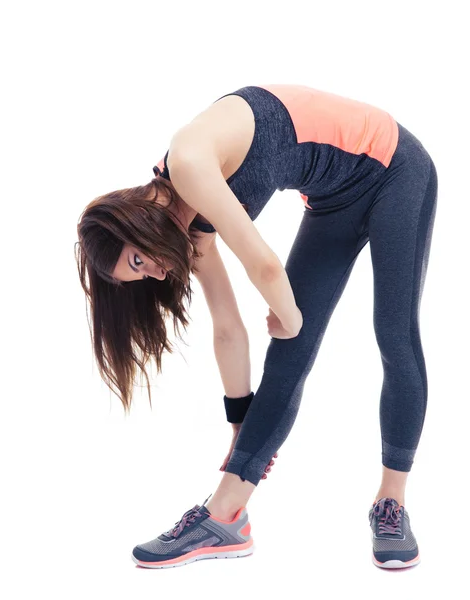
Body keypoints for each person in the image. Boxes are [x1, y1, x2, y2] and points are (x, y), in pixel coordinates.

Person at [75, 84, 438, 570]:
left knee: (392, 332)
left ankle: (391, 503)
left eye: (137, 260)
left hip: (395, 167)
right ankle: (224, 517)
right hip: (336, 197)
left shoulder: (187, 162)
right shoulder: (192, 235)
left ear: (132, 216)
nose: (155, 273)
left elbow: (264, 268)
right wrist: (240, 422)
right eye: (139, 275)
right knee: (288, 351)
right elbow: (227, 328)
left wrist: (287, 318)